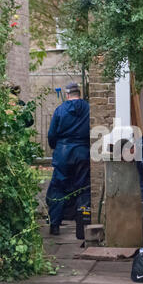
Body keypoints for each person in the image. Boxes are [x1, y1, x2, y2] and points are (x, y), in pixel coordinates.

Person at [46, 82, 91, 238]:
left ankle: (55, 225)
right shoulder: (88, 108)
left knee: (58, 188)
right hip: (83, 151)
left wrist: (56, 147)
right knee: (84, 188)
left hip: (63, 152)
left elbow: (52, 134)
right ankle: (84, 224)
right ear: (79, 93)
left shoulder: (60, 110)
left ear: (67, 95)